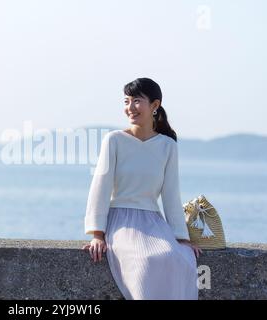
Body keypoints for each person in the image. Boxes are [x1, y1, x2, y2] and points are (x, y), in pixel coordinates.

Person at [82, 77, 202, 300]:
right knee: (146, 261)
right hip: (121, 221)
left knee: (176, 258)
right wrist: (97, 234)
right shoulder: (114, 140)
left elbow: (171, 195)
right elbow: (100, 186)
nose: (130, 108)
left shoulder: (168, 146)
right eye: (126, 101)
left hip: (154, 222)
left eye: (137, 101)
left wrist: (182, 238)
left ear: (154, 106)